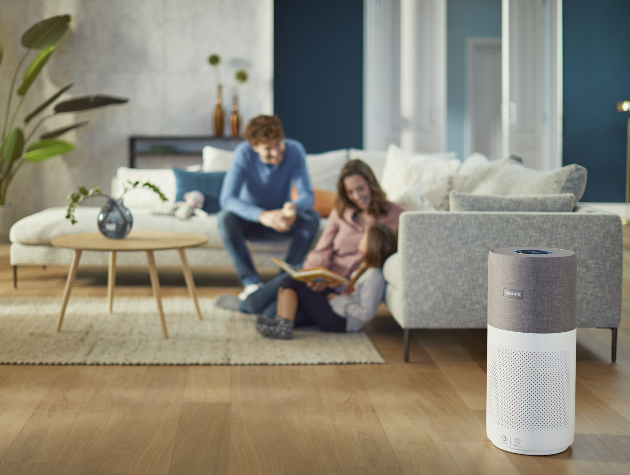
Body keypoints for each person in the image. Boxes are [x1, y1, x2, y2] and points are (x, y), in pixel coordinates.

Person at [236, 158, 405, 318]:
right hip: (321, 275)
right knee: (253, 303)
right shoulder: (341, 212)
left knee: (271, 313)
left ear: (371, 184)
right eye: (350, 192)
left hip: (344, 290)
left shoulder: (396, 214)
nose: (356, 196)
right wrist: (316, 276)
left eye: (360, 189)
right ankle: (242, 304)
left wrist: (343, 283)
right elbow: (322, 249)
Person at [217, 115, 320, 300]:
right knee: (225, 218)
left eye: (278, 145)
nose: (275, 153)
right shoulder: (243, 154)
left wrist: (293, 208)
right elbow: (228, 199)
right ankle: (251, 283)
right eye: (268, 149)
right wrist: (261, 215)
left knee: (312, 218)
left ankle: (283, 282)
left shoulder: (295, 150)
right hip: (252, 222)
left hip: (283, 221)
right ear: (254, 147)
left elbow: (307, 195)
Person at [255, 223, 398, 339]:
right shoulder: (366, 267)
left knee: (291, 282)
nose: (361, 239)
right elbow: (355, 293)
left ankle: (283, 327)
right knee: (304, 288)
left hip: (341, 321)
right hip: (339, 311)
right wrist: (336, 285)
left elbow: (366, 312)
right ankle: (282, 321)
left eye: (364, 238)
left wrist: (334, 299)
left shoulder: (374, 276)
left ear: (373, 244)